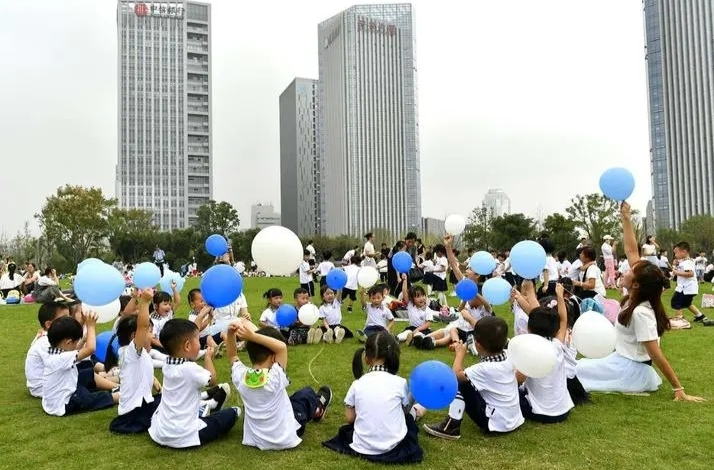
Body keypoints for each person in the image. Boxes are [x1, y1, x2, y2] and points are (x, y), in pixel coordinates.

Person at [576, 202, 704, 402]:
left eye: (629, 271)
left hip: (630, 370)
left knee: (576, 371)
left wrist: (678, 388)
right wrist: (626, 218)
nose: (626, 271)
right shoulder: (637, 294)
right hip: (621, 361)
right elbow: (630, 250)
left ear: (636, 285)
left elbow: (656, 354)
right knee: (577, 367)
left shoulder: (641, 313)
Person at [227, 319, 333, 450]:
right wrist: (253, 336)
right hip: (285, 437)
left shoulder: (241, 377)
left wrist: (230, 333)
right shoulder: (275, 377)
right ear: (273, 357)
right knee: (306, 394)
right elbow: (282, 347)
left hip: (256, 440)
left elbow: (232, 356)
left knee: (291, 400)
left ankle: (315, 408)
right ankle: (318, 409)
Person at [323, 332, 424, 464]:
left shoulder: (357, 384)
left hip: (362, 446)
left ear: (366, 357)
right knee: (410, 416)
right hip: (394, 448)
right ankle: (419, 409)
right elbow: (404, 411)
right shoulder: (400, 382)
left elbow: (349, 418)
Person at [423, 316, 524, 439]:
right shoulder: (509, 356)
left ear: (478, 345)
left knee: (460, 381)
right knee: (468, 379)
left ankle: (451, 425)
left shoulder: (484, 369)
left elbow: (455, 374)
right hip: (513, 420)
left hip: (495, 424)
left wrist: (459, 354)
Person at [148, 319, 239, 448]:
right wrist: (208, 358)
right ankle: (209, 407)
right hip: (184, 436)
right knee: (234, 412)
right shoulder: (190, 369)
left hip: (161, 431)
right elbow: (212, 379)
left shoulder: (167, 363)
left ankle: (210, 404)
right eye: (197, 340)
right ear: (187, 346)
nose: (200, 343)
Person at [106, 289, 163, 433]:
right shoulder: (131, 351)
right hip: (135, 413)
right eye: (149, 332)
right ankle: (205, 404)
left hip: (135, 408)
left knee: (169, 397)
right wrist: (144, 303)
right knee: (173, 403)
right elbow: (142, 326)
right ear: (134, 336)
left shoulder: (128, 352)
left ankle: (205, 399)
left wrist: (154, 380)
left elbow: (125, 316)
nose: (151, 335)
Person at [516, 284, 574, 423]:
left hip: (539, 413)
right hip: (562, 411)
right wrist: (559, 295)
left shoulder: (530, 352)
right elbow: (563, 320)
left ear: (529, 329)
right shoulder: (557, 346)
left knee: (506, 390)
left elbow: (517, 380)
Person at [42, 313, 119, 416]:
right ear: (68, 342)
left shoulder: (53, 351)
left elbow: (75, 349)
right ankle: (120, 395)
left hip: (59, 396)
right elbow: (90, 349)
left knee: (86, 373)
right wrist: (91, 326)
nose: (76, 344)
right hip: (65, 403)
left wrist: (82, 337)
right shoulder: (61, 358)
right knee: (93, 398)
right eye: (76, 341)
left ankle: (116, 386)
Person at [25, 302, 71, 397]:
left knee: (84, 370)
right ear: (49, 324)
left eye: (69, 317)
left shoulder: (50, 338)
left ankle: (106, 377)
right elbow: (64, 363)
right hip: (43, 387)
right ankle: (109, 386)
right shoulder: (46, 342)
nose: (70, 321)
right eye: (64, 318)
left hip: (47, 383)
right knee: (83, 375)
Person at [669, 241, 707, 328]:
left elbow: (690, 274)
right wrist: (676, 265)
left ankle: (680, 321)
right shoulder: (685, 261)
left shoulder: (687, 263)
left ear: (684, 252)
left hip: (686, 288)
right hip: (687, 288)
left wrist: (677, 272)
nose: (675, 255)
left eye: (676, 253)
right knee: (687, 303)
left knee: (676, 302)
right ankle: (700, 316)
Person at [395, 275, 434, 345]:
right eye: (418, 296)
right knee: (404, 334)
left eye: (423, 295)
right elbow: (404, 292)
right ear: (412, 299)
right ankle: (398, 339)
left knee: (418, 335)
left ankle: (413, 339)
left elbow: (428, 323)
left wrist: (418, 329)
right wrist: (405, 280)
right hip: (411, 328)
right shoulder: (410, 305)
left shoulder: (427, 310)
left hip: (423, 329)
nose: (421, 298)